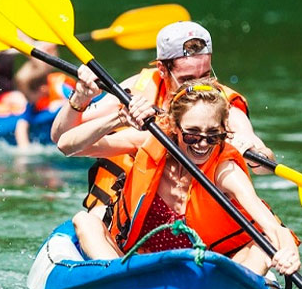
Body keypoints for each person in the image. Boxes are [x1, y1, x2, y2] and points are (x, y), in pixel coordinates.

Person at [57, 79, 301, 277]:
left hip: (208, 274)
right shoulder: (151, 142)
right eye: (192, 134)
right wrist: (119, 118)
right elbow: (66, 145)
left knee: (262, 246)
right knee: (85, 221)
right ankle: (120, 285)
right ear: (174, 127)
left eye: (213, 135)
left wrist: (288, 251)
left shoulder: (224, 169)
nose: (203, 144)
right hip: (139, 267)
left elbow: (270, 225)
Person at [51, 21, 274, 226]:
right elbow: (62, 138)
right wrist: (80, 98)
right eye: (187, 79)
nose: (196, 87)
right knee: (95, 219)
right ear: (162, 69)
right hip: (127, 207)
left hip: (197, 215)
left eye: (205, 76)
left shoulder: (222, 105)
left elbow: (263, 163)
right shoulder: (137, 90)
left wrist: (256, 154)